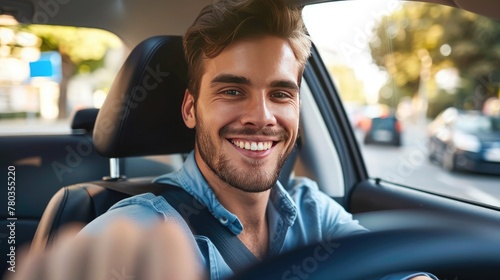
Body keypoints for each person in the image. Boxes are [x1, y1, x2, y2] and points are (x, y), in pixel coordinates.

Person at [8, 0, 436, 279]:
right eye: (232, 91)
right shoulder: (138, 230)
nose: (262, 117)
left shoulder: (313, 210)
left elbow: (393, 270)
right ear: (191, 108)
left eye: (281, 93)